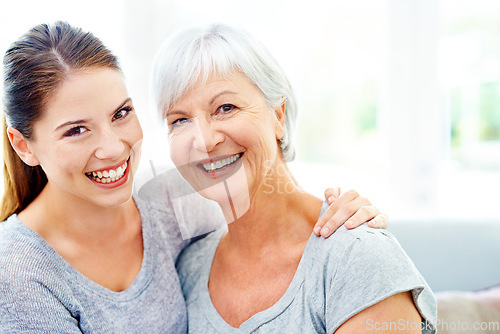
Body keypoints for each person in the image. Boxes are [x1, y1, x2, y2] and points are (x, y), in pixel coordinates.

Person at [0, 21, 387, 333]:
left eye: (121, 114)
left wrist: (347, 217)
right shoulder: (17, 274)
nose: (114, 149)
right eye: (76, 130)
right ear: (23, 146)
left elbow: (263, 199)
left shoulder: (176, 200)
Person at [152, 24, 437, 333]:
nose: (204, 141)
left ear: (278, 115)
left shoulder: (357, 257)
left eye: (225, 108)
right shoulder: (188, 270)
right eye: (179, 120)